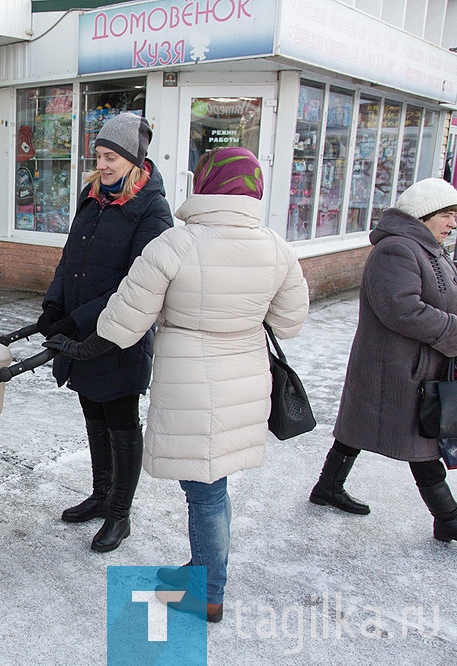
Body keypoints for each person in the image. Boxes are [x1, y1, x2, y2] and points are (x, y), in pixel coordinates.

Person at [45, 147, 310, 621]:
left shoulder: (175, 245)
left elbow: (124, 322)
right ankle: (204, 569)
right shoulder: (277, 247)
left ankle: (208, 589)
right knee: (216, 483)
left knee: (204, 491)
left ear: (204, 184)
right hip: (246, 380)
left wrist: (78, 347)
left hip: (192, 381)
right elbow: (289, 322)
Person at [35, 112, 173, 553]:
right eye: (98, 155)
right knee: (92, 410)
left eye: (112, 157)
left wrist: (78, 319)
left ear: (134, 160)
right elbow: (69, 258)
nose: (103, 164)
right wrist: (55, 304)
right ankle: (99, 495)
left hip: (120, 335)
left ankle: (120, 514)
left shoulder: (152, 209)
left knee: (119, 420)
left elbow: (138, 283)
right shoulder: (92, 194)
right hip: (80, 332)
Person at [309, 177, 457, 543]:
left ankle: (327, 487)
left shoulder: (431, 248)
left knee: (357, 429)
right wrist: (453, 329)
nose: (453, 222)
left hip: (413, 363)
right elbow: (401, 309)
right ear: (425, 214)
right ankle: (448, 518)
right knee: (420, 442)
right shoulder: (397, 250)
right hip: (394, 367)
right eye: (448, 214)